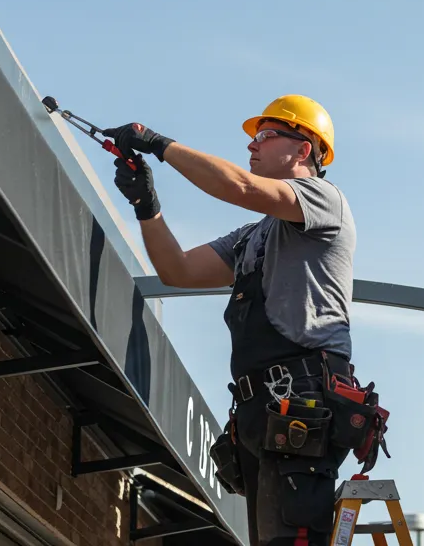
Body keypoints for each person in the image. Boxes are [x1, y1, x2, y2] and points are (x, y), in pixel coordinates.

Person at [103, 95, 357, 546]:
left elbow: (239, 187)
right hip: (264, 412)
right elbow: (177, 270)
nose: (252, 147)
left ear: (304, 149)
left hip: (301, 402)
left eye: (265, 135)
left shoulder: (324, 200)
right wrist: (147, 204)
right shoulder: (253, 237)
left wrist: (158, 143)